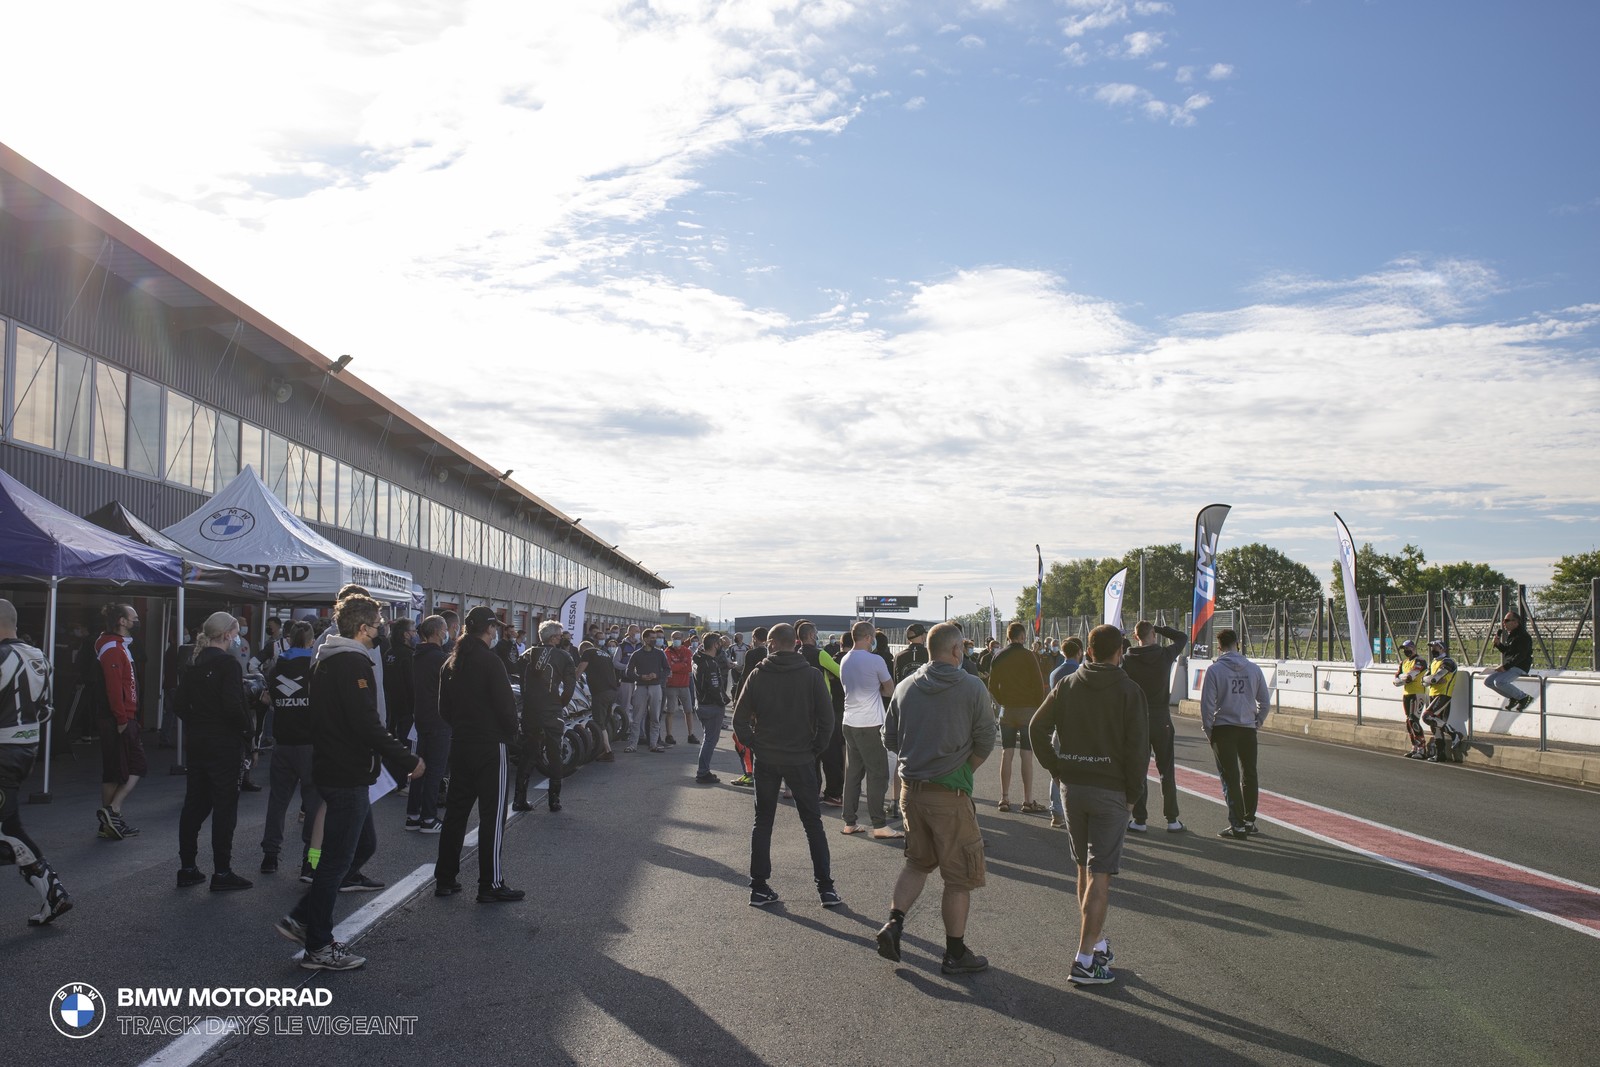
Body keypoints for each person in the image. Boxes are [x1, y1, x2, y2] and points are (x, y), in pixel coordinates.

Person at [274, 595, 422, 970]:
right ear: (362, 628)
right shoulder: (350, 662)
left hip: (340, 768)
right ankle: (318, 945)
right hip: (345, 771)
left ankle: (303, 918)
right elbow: (365, 722)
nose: (382, 631)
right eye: (378, 625)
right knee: (337, 860)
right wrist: (407, 758)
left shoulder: (329, 658)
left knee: (362, 846)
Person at [1029, 624, 1149, 985]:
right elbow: (1138, 749)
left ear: (1089, 652)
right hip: (1110, 790)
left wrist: (1057, 768)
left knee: (1083, 867)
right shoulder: (1130, 690)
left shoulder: (1067, 684)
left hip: (1073, 786)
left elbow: (1036, 728)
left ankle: (1094, 944)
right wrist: (1133, 796)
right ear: (1119, 652)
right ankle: (1084, 960)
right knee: (1101, 873)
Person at [876, 622, 996, 975]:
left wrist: (917, 756)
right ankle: (955, 953)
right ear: (957, 649)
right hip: (949, 794)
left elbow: (889, 737)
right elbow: (986, 739)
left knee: (917, 863)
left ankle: (894, 922)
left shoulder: (905, 686)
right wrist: (963, 769)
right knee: (958, 878)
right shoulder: (972, 687)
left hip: (912, 792)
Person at [732, 624, 839, 908]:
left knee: (763, 822)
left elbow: (739, 720)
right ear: (795, 643)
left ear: (771, 643)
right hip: (801, 758)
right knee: (813, 823)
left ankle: (759, 887)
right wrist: (814, 749)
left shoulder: (758, 675)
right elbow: (827, 720)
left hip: (767, 758)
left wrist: (755, 744)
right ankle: (826, 888)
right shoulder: (812, 675)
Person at [434, 606, 523, 903]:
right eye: (494, 627)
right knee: (492, 816)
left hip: (461, 743)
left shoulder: (451, 663)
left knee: (456, 814)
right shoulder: (490, 661)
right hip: (490, 745)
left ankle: (445, 878)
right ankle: (490, 884)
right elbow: (506, 707)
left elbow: (443, 709)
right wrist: (511, 734)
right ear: (489, 629)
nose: (496, 631)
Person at [0, 599, 73, 926]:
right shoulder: (39, 656)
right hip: (25, 748)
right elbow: (45, 710)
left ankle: (53, 890)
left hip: (3, 750)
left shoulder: (4, 656)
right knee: (7, 825)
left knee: (7, 827)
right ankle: (52, 893)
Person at [174, 612, 255, 891]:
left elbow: (179, 704)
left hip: (198, 741)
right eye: (236, 632)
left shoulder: (193, 662)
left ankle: (187, 867)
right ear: (227, 634)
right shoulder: (228, 664)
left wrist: (198, 722)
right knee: (225, 808)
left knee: (194, 804)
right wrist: (247, 733)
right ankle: (222, 871)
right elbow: (233, 705)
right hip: (224, 744)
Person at [1199, 628, 1272, 839]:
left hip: (1223, 728)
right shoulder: (1253, 669)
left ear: (1219, 647)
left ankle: (1237, 824)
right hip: (1247, 728)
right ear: (1237, 644)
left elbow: (1207, 706)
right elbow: (1265, 703)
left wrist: (1209, 731)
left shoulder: (1214, 670)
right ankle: (1249, 820)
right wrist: (1256, 723)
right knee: (1250, 774)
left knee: (1230, 777)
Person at [261, 621, 319, 875]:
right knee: (314, 803)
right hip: (309, 743)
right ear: (311, 640)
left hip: (282, 742)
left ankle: (270, 855)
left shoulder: (276, 668)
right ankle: (310, 860)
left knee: (278, 800)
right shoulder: (315, 667)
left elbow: (271, 701)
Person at [1120, 620, 1189, 834]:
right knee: (1166, 769)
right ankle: (1172, 819)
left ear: (1135, 636)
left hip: (1138, 718)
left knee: (1139, 769)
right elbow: (1182, 637)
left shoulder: (1127, 658)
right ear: (1153, 635)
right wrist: (1159, 628)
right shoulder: (1164, 655)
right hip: (1162, 718)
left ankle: (1140, 820)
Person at [839, 621, 899, 839]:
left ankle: (850, 821)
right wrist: (876, 690)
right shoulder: (876, 660)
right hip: (870, 723)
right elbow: (890, 690)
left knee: (853, 773)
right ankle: (879, 824)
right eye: (872, 636)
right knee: (878, 774)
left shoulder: (845, 659)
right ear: (868, 637)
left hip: (849, 722)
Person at [92, 602, 145, 840]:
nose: (137, 620)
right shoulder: (113, 647)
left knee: (121, 768)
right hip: (118, 717)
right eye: (134, 617)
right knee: (123, 768)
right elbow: (114, 687)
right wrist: (122, 717)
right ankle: (112, 814)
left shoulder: (118, 645)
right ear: (122, 621)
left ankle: (111, 817)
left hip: (123, 715)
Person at [985, 622, 1049, 815]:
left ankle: (1004, 798)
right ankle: (1027, 800)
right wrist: (1037, 706)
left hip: (1007, 711)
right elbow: (1038, 684)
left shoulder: (998, 655)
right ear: (1022, 637)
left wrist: (1003, 701)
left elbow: (992, 685)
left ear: (1008, 636)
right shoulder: (1029, 656)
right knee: (1026, 754)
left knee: (1007, 752)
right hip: (1028, 710)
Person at [517, 619, 575, 813]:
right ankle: (554, 801)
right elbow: (570, 687)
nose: (561, 638)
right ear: (554, 637)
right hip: (551, 710)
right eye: (559, 635)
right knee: (554, 753)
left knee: (528, 752)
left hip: (530, 710)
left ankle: (519, 799)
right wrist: (559, 704)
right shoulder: (564, 656)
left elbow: (522, 684)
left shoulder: (526, 655)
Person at [406, 616, 451, 830]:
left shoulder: (418, 655)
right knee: (435, 770)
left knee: (420, 766)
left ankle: (413, 814)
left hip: (421, 717)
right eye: (445, 629)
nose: (447, 633)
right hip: (439, 718)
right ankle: (429, 817)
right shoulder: (440, 659)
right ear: (437, 632)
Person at [796, 620, 845, 806]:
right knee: (831, 755)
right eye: (815, 633)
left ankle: (812, 791)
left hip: (802, 711)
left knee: (810, 757)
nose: (817, 636)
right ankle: (834, 794)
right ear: (810, 635)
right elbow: (841, 673)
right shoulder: (820, 654)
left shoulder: (796, 655)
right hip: (823, 710)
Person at [1045, 637, 1084, 827]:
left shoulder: (1055, 673)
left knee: (1057, 770)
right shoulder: (1082, 673)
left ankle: (1056, 811)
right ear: (1079, 652)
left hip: (1059, 727)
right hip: (1080, 727)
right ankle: (1077, 812)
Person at [1420, 638, 1467, 763]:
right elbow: (1423, 681)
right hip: (1432, 694)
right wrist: (1432, 679)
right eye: (1431, 647)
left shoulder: (1448, 661)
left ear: (1442, 648)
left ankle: (1454, 734)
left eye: (1435, 647)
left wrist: (1432, 679)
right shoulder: (1434, 662)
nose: (1432, 649)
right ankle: (1440, 754)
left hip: (1443, 695)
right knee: (1435, 727)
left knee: (1427, 717)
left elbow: (1435, 678)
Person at [691, 633, 729, 783]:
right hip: (711, 706)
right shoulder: (710, 664)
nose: (720, 647)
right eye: (719, 644)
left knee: (708, 738)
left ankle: (703, 770)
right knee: (710, 740)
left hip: (701, 704)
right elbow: (715, 688)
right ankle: (702, 772)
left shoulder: (697, 659)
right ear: (715, 645)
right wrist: (723, 702)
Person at [626, 629, 669, 753]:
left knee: (655, 717)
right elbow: (628, 671)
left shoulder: (660, 654)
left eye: (655, 638)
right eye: (652, 638)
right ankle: (633, 745)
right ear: (645, 639)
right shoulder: (637, 654)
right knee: (637, 717)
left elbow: (667, 670)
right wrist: (640, 677)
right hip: (640, 687)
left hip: (655, 687)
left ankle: (653, 744)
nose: (655, 640)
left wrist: (657, 676)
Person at [575, 640, 619, 763]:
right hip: (612, 691)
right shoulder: (605, 654)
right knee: (604, 721)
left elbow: (579, 671)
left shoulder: (587, 652)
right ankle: (603, 748)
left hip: (600, 692)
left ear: (582, 650)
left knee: (599, 723)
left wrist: (571, 681)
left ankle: (608, 752)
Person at [1485, 611, 1534, 712]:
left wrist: (1505, 667)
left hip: (1520, 666)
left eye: (1507, 620)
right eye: (1503, 621)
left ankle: (1523, 697)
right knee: (1488, 681)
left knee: (1499, 682)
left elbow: (1521, 656)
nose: (1504, 623)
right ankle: (1513, 697)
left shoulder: (1523, 636)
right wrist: (1498, 644)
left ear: (1516, 622)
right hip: (1511, 665)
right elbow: (1508, 653)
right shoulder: (1512, 635)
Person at [1392, 639, 1430, 759]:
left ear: (1413, 648)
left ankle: (1422, 748)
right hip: (1407, 693)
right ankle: (1414, 747)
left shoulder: (1420, 661)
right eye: (1404, 649)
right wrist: (1403, 678)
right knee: (1409, 721)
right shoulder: (1403, 662)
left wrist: (1403, 678)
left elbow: (1410, 677)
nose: (1405, 651)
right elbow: (1395, 680)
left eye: (1407, 648)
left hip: (1418, 693)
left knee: (1414, 720)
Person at [383, 618, 416, 745]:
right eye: (414, 631)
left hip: (390, 710)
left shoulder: (388, 653)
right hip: (407, 711)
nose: (416, 635)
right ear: (406, 634)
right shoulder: (409, 655)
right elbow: (411, 684)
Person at [663, 631, 695, 746]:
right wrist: (682, 665)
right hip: (671, 686)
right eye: (674, 638)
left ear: (682, 639)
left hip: (684, 685)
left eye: (678, 638)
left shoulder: (687, 651)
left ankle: (691, 734)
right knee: (670, 711)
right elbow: (669, 667)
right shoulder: (667, 652)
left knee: (689, 711)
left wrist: (677, 666)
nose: (676, 640)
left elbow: (689, 668)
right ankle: (669, 735)